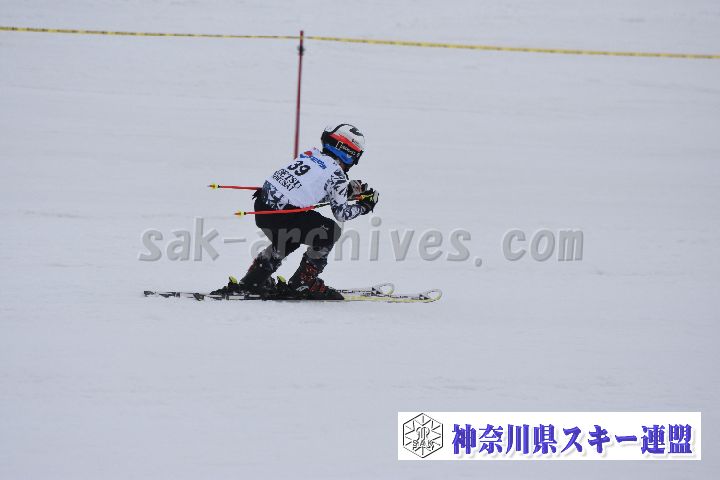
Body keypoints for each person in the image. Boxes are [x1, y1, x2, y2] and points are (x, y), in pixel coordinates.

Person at [212, 123, 379, 299]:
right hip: (283, 216)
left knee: (291, 237)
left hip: (263, 208)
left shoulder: (310, 155)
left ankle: (254, 280)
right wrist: (365, 206)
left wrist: (346, 191)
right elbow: (341, 214)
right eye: (356, 157)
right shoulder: (336, 175)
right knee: (330, 231)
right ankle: (303, 284)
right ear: (348, 153)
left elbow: (309, 190)